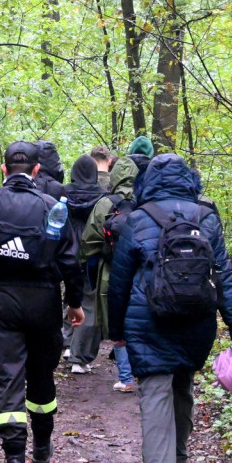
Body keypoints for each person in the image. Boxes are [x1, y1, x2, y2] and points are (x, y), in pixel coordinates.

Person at [108, 153, 232, 463]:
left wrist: (117, 330)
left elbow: (120, 282)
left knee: (156, 390)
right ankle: (179, 459)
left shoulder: (138, 219)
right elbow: (224, 276)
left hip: (148, 319)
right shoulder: (207, 217)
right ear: (190, 179)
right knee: (182, 383)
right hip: (196, 318)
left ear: (148, 181)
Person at [0, 141, 85, 463]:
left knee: (8, 379)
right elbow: (70, 261)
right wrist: (74, 302)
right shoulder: (51, 207)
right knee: (41, 377)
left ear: (4, 170)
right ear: (35, 171)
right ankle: (41, 449)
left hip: (1, 304)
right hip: (43, 303)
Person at [80, 156, 139, 392]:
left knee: (118, 323)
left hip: (110, 273)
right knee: (139, 319)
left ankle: (125, 378)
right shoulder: (146, 201)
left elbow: (88, 242)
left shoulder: (105, 203)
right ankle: (143, 372)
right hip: (140, 272)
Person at [64, 155, 107, 374]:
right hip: (91, 256)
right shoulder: (103, 197)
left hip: (65, 252)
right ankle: (79, 358)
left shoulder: (63, 193)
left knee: (69, 298)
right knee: (89, 303)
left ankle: (67, 344)